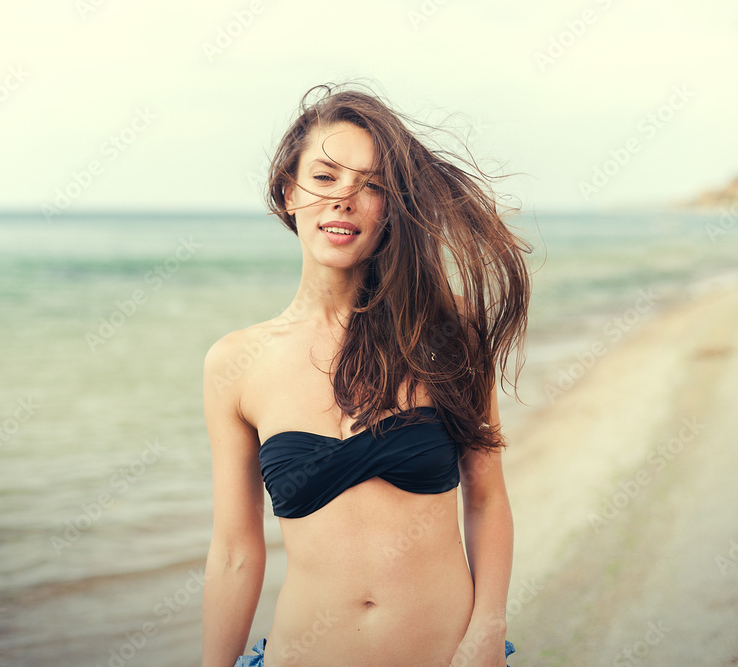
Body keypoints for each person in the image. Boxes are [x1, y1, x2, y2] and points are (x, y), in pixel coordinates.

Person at [201, 83, 530, 666]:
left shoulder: (448, 334)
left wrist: (486, 632)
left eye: (372, 185)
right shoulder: (235, 363)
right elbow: (235, 551)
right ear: (288, 193)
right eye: (324, 177)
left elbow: (485, 495)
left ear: (392, 208)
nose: (343, 199)